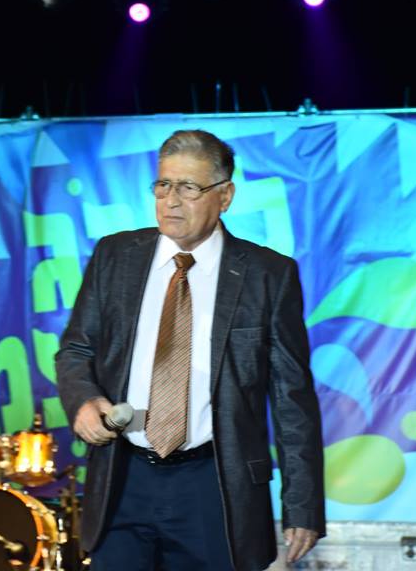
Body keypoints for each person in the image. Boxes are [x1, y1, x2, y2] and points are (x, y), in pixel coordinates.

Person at [56, 129, 324, 570]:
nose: (171, 201)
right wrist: (84, 400)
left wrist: (303, 506)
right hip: (123, 479)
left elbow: (291, 400)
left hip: (215, 486)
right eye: (163, 185)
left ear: (225, 196)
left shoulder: (267, 275)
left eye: (188, 188)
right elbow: (76, 350)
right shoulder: (115, 255)